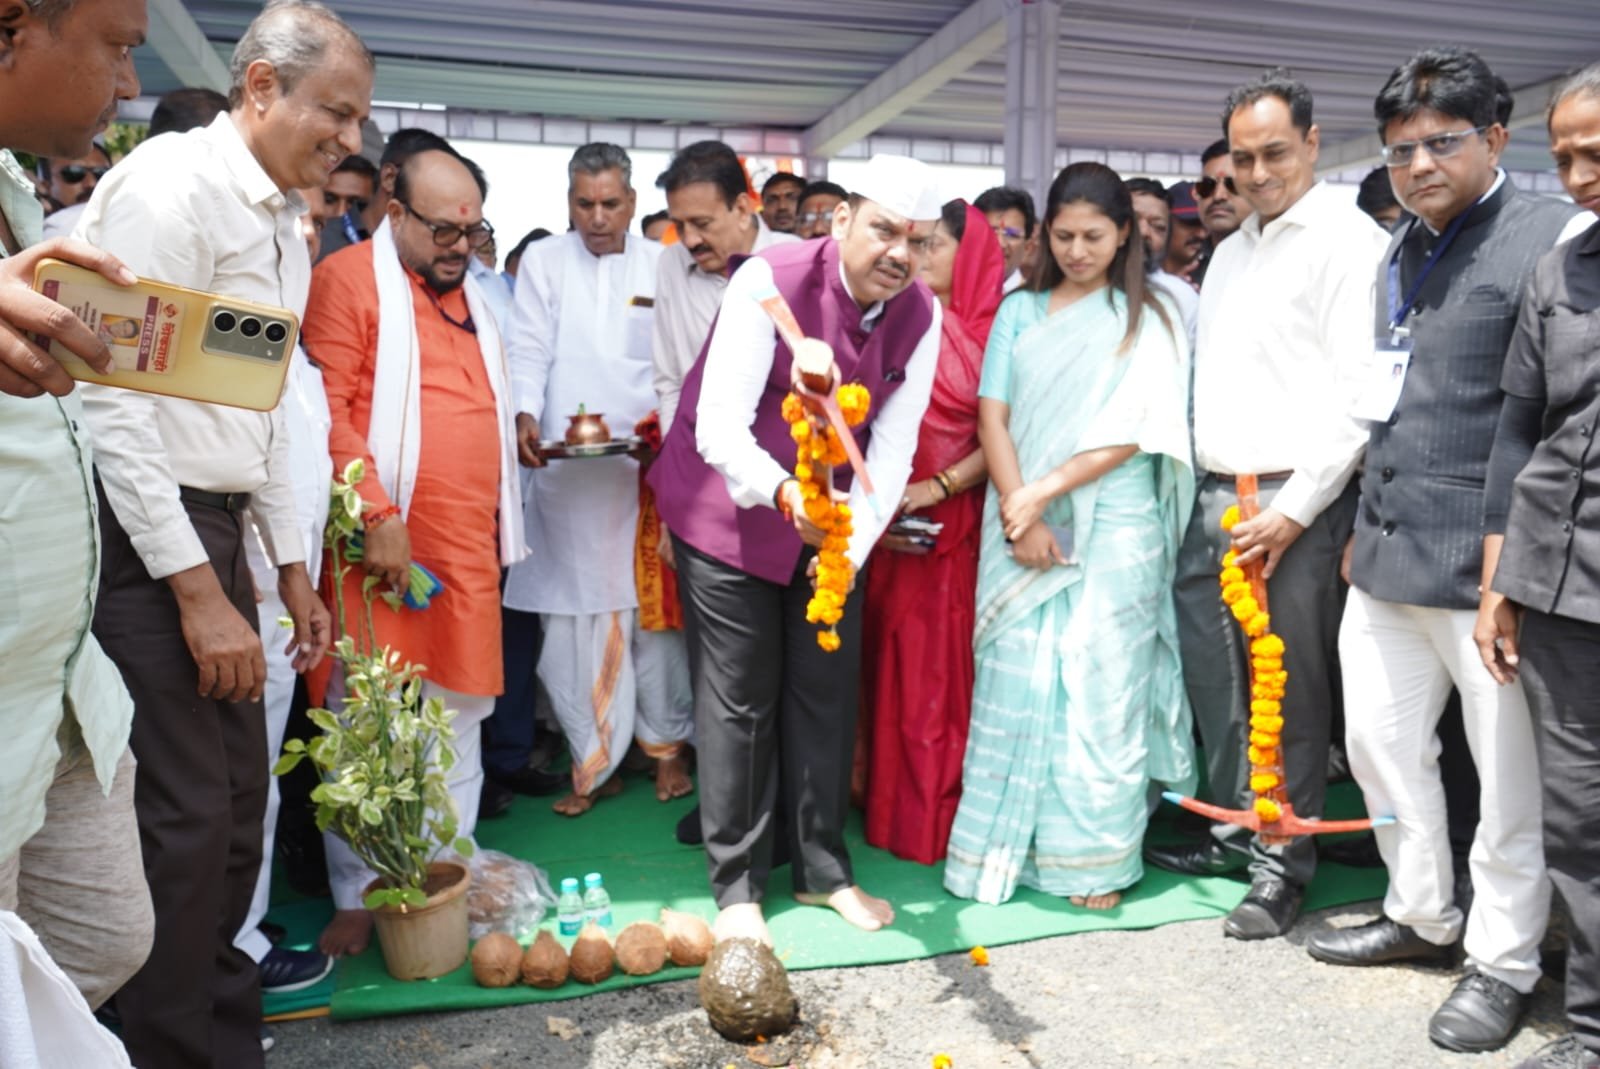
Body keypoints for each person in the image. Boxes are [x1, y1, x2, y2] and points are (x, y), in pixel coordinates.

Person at [78, 3, 370, 1064]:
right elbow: (114, 404)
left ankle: (224, 1041)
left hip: (220, 529)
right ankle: (169, 1046)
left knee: (240, 811)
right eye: (334, 112)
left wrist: (289, 566)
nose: (349, 140)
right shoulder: (170, 190)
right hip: (147, 538)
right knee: (188, 822)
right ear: (259, 87)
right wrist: (198, 590)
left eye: (358, 120)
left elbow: (261, 405)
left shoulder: (280, 220)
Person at [1305, 46, 1589, 1056]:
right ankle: (1421, 911)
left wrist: (1512, 565)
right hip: (1386, 552)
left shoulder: (1554, 238)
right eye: (1398, 150)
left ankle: (1502, 962)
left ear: (1496, 139)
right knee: (1380, 748)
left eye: (1440, 142)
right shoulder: (1397, 246)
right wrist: (1359, 521)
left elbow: (1555, 422)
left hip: (1489, 571)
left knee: (1506, 783)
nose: (1417, 164)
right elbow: (1382, 397)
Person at [648, 154, 944, 944]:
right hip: (726, 507)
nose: (900, 254)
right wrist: (788, 499)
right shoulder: (768, 280)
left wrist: (847, 544)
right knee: (740, 696)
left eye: (918, 241)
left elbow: (893, 451)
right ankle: (738, 885)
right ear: (842, 219)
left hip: (833, 520)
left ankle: (823, 872)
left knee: (825, 688)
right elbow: (719, 427)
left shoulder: (921, 313)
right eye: (885, 230)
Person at [1148, 68, 1389, 942]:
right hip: (1215, 495)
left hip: (1295, 502)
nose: (1256, 174)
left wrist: (1297, 511)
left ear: (1314, 144)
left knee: (1287, 692)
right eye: (1242, 159)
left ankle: (1283, 865)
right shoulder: (1233, 249)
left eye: (1274, 154)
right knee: (1216, 681)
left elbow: (1361, 398)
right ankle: (1233, 832)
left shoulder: (1350, 242)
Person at [944, 163, 1194, 908]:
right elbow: (993, 415)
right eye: (1064, 236)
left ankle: (1095, 860)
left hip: (1115, 521)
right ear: (1044, 236)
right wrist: (1018, 508)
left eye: (1094, 236)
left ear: (1124, 236)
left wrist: (1038, 495)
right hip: (1019, 509)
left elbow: (1137, 429)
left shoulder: (1148, 318)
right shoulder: (1020, 311)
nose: (1078, 251)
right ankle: (1006, 850)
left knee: (1101, 688)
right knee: (1018, 675)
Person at [302, 146, 525, 957]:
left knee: (458, 718)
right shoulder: (348, 281)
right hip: (378, 547)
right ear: (393, 209)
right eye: (443, 230)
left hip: (464, 548)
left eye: (474, 231)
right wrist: (377, 511)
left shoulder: (478, 298)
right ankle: (357, 892)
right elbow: (324, 410)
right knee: (368, 723)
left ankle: (445, 873)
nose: (460, 247)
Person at [0, 0, 153, 1022]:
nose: (130, 84)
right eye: (119, 48)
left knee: (101, 941)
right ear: (14, 25)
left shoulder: (14, 186)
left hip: (58, 683)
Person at [504, 143, 694, 815]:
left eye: (611, 203)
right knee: (567, 625)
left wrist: (669, 441)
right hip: (564, 471)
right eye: (584, 203)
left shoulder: (664, 263)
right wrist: (524, 413)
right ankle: (595, 759)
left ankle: (665, 750)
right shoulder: (545, 261)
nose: (597, 217)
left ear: (633, 202)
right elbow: (528, 346)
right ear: (568, 203)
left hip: (642, 474)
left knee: (653, 620)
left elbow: (678, 359)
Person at [1477, 61, 1600, 1069]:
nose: (1576, 175)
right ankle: (1594, 1025)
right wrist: (1501, 581)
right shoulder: (1558, 274)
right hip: (1563, 582)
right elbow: (1519, 428)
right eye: (1561, 157)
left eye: (1594, 152)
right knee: (1579, 818)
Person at [859, 199, 1003, 865]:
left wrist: (938, 487)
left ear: (969, 254)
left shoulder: (1003, 330)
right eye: (914, 244)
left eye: (934, 245)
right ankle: (882, 804)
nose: (918, 257)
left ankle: (934, 817)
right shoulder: (893, 320)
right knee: (886, 663)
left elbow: (1007, 433)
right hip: (887, 519)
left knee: (939, 675)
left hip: (958, 523)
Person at [654, 140, 798, 435]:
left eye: (702, 223)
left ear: (742, 209)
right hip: (698, 451)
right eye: (679, 226)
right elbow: (670, 382)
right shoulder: (672, 265)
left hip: (783, 450)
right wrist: (674, 452)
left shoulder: (795, 261)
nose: (690, 240)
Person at [1126, 177, 1199, 345]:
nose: (1144, 232)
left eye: (1158, 227)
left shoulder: (1182, 297)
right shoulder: (1080, 284)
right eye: (1134, 219)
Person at [975, 185, 1037, 293]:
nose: (1001, 243)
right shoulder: (954, 295)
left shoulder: (1035, 301)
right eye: (991, 233)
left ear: (1028, 247)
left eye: (1012, 234)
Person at [1195, 139, 1242, 245]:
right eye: (1208, 185)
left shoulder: (1277, 253)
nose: (1218, 196)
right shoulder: (1195, 255)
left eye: (1233, 184)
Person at [1163, 180, 1207, 280]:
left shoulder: (1219, 272)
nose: (1202, 234)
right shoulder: (1138, 271)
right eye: (1191, 223)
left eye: (1206, 225)